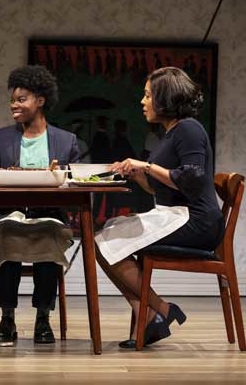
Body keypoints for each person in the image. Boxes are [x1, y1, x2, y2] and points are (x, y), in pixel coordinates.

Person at [94, 67, 224, 348]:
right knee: (105, 235)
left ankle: (161, 311)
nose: (142, 102)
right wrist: (138, 174)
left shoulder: (189, 129)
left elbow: (191, 180)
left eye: (148, 95)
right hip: (177, 215)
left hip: (197, 222)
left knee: (109, 240)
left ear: (165, 98)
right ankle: (149, 315)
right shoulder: (171, 133)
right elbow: (160, 190)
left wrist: (147, 165)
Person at [0, 65, 80, 344]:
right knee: (8, 234)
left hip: (47, 213)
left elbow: (72, 180)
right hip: (9, 212)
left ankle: (43, 319)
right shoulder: (1, 137)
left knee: (49, 236)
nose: (14, 105)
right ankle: (7, 318)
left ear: (40, 100)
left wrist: (59, 173)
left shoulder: (65, 140)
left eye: (21, 99)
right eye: (12, 100)